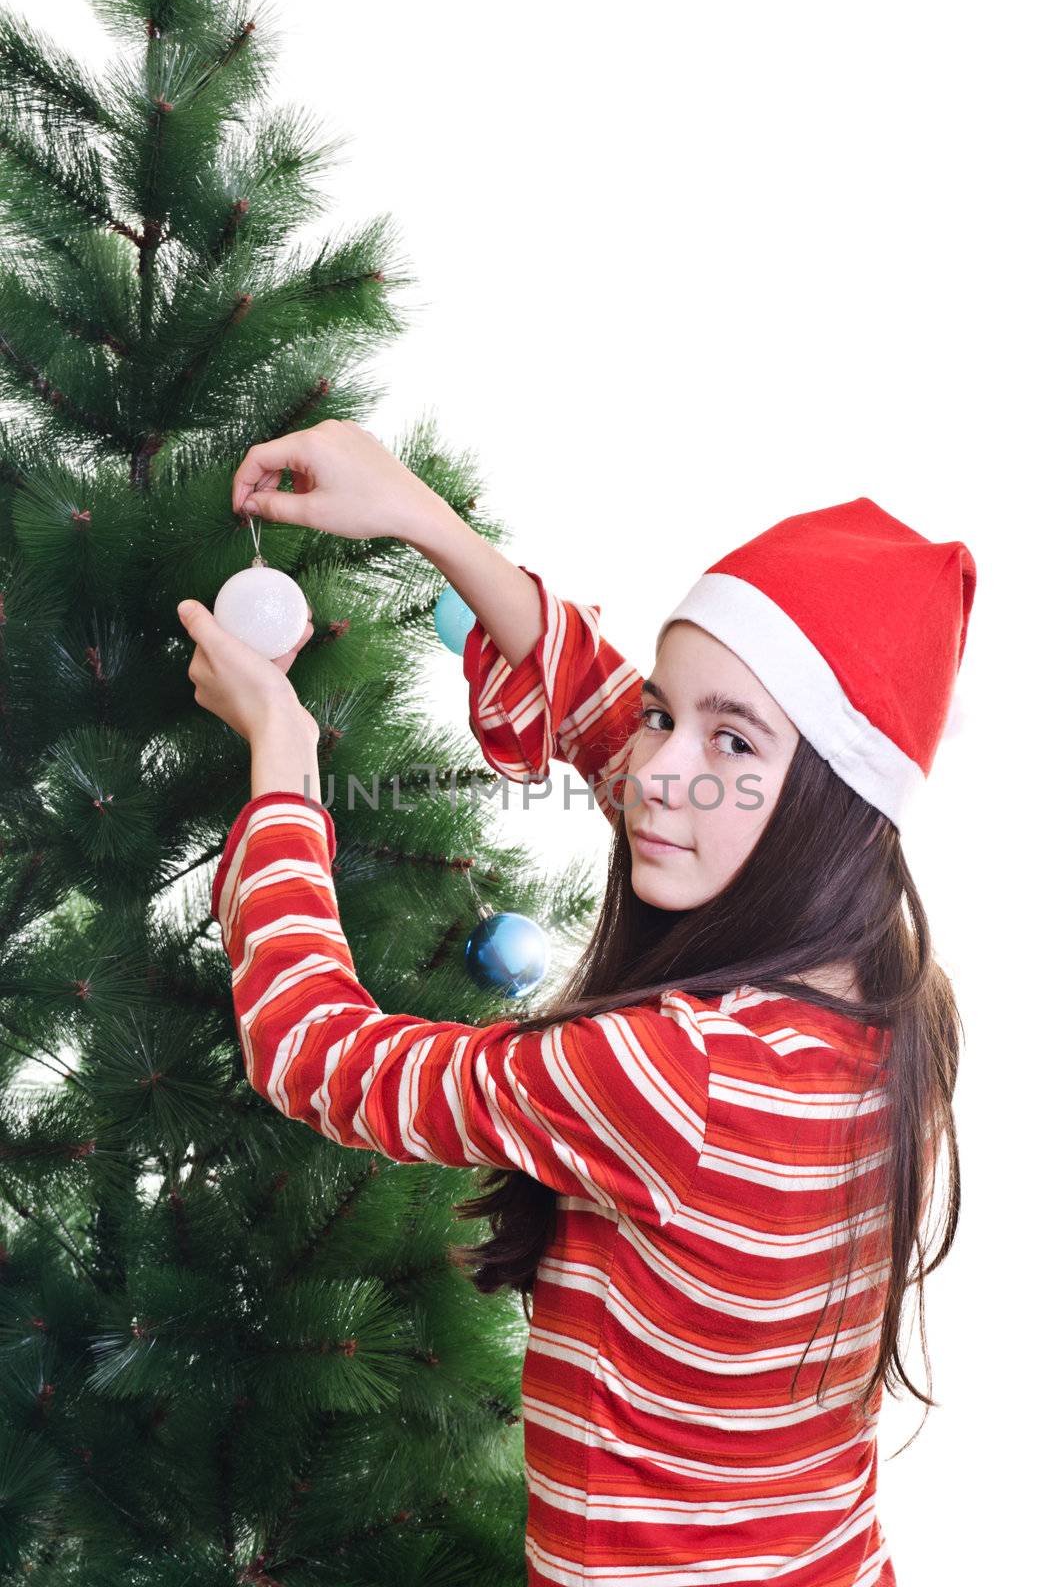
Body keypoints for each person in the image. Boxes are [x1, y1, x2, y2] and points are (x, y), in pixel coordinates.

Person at [176, 419, 976, 1587]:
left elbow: (316, 1052)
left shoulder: (672, 1077)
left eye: (733, 738)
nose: (660, 769)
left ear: (831, 799)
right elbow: (618, 730)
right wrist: (424, 520)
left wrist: (283, 761)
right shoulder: (884, 990)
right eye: (669, 712)